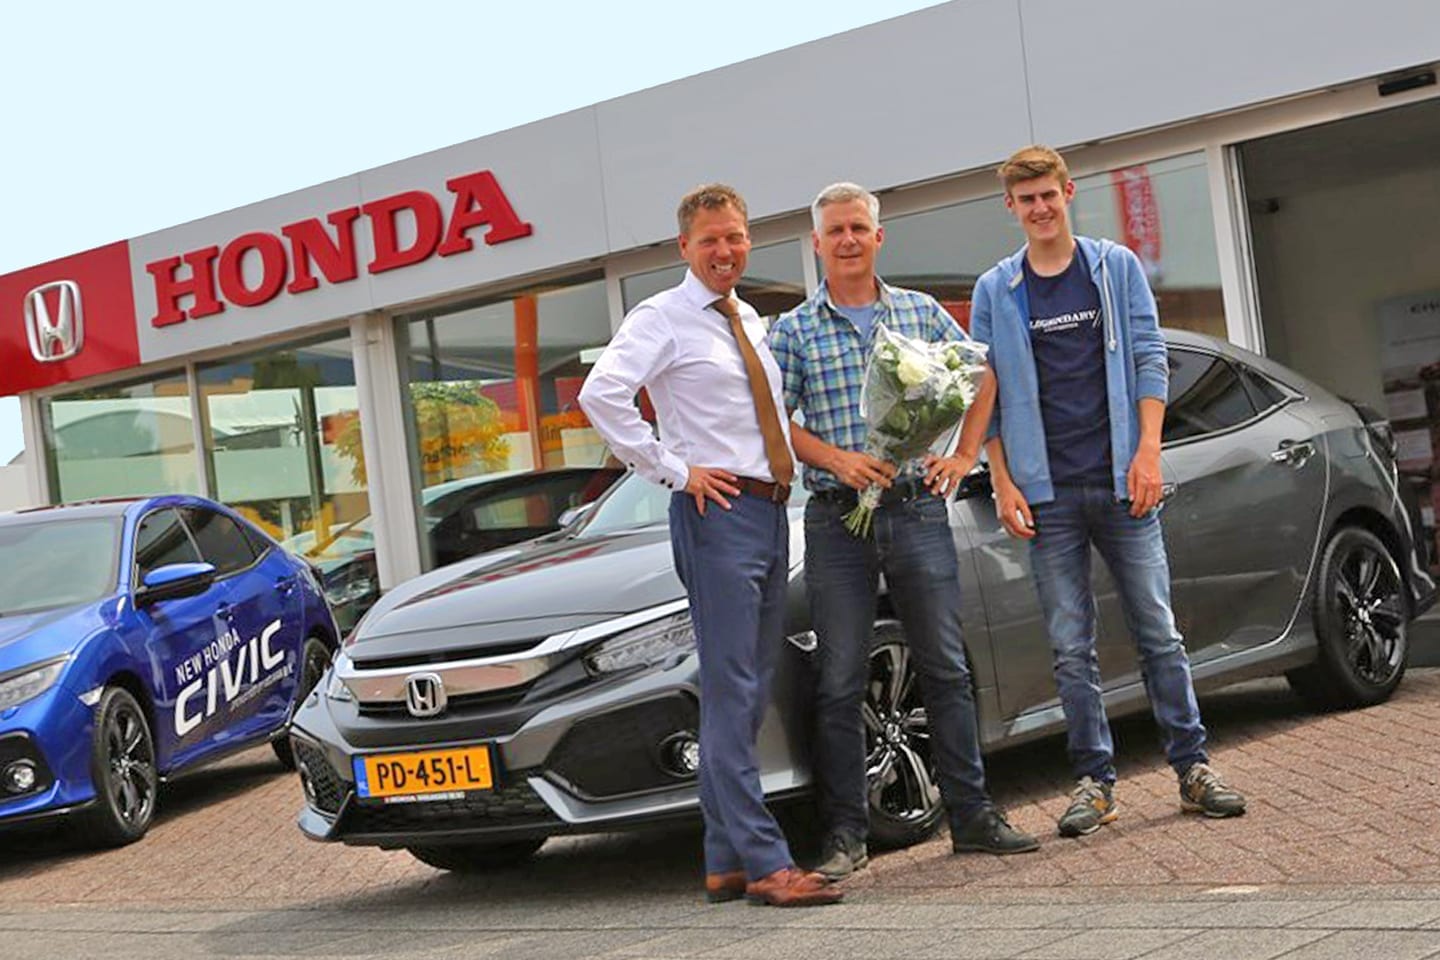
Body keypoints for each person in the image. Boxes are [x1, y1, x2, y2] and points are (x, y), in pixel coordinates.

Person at [969, 145, 1246, 838]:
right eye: (1026, 199)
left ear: (1068, 194)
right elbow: (983, 393)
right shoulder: (995, 290)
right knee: (1071, 648)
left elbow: (1151, 358)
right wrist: (1002, 480)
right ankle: (1095, 783)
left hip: (1124, 486)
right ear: (1011, 207)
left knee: (1159, 632)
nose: (1039, 208)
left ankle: (1193, 769)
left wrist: (1148, 452)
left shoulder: (1114, 268)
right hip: (1049, 496)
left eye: (1048, 195)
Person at [768, 182, 1039, 881]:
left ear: (878, 236)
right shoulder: (794, 330)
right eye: (836, 231)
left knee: (945, 667)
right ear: (817, 243)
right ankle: (845, 834)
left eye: (859, 227)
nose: (848, 240)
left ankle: (973, 817)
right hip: (836, 520)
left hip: (917, 509)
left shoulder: (918, 312)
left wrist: (964, 454)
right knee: (839, 679)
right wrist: (837, 460)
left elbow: (981, 375)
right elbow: (774, 422)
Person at [579, 184, 840, 907]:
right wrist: (673, 469)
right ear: (684, 248)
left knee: (750, 689)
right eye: (709, 241)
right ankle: (766, 861)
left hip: (767, 512)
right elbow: (601, 394)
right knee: (730, 691)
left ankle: (724, 858)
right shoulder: (660, 317)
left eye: (734, 237)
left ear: (747, 239)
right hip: (716, 515)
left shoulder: (747, 318)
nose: (724, 251)